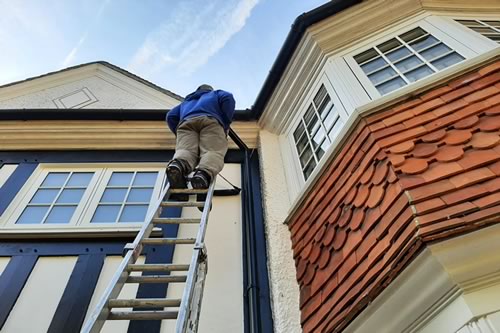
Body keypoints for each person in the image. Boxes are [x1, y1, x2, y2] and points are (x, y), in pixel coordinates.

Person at [166, 84, 235, 193]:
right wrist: (225, 121)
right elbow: (228, 97)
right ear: (209, 90)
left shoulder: (186, 102)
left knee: (185, 150)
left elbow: (170, 116)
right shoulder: (215, 94)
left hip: (186, 123)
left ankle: (178, 165)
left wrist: (179, 133)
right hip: (210, 121)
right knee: (212, 150)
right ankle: (203, 174)